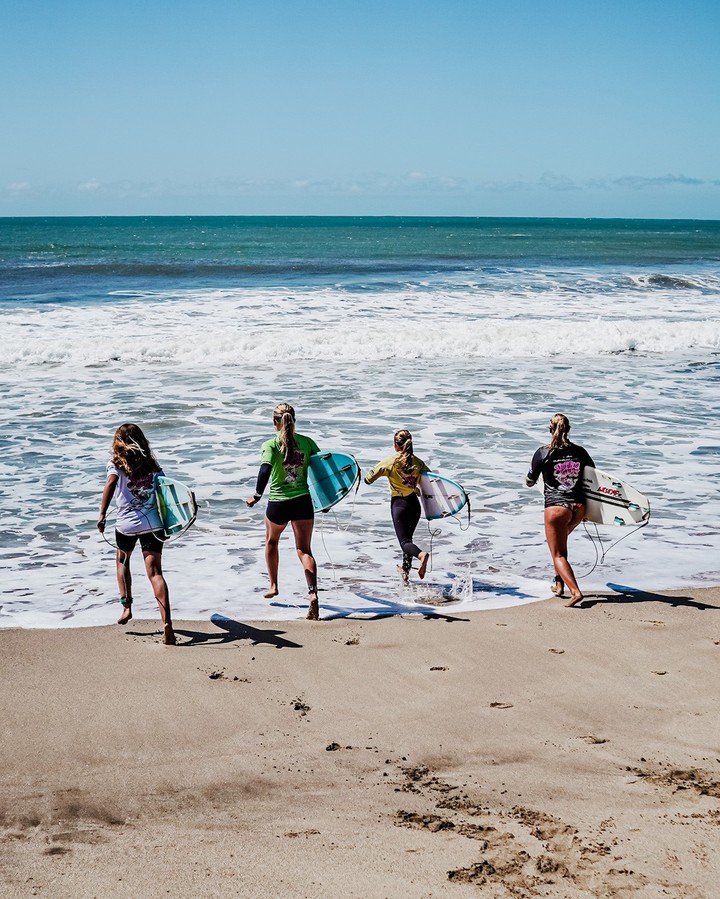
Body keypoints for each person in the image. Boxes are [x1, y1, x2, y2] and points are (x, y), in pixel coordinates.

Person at [97, 423, 176, 644]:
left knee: (122, 560)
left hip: (127, 525)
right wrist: (169, 523)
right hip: (153, 524)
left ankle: (126, 607)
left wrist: (102, 514)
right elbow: (166, 492)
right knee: (155, 573)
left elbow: (111, 484)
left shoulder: (116, 464)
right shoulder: (153, 464)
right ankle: (166, 622)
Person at [246, 404, 321, 620]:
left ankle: (273, 585)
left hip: (279, 503)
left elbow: (265, 469)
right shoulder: (307, 443)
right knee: (304, 550)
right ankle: (313, 594)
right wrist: (327, 498)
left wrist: (257, 495)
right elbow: (322, 470)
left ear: (274, 422)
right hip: (303, 502)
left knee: (271, 542)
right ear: (294, 419)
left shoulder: (270, 444)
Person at [526, 413, 595, 608]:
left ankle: (575, 591)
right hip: (578, 508)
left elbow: (530, 481)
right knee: (559, 548)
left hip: (556, 508)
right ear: (569, 429)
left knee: (558, 553)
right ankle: (559, 585)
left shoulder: (542, 453)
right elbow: (593, 477)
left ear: (550, 429)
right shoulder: (580, 452)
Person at [365, 429, 431, 584]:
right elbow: (432, 481)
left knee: (405, 543)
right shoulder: (418, 463)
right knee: (408, 539)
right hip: (414, 506)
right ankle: (405, 571)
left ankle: (421, 555)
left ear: (396, 445)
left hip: (399, 506)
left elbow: (369, 479)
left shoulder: (390, 462)